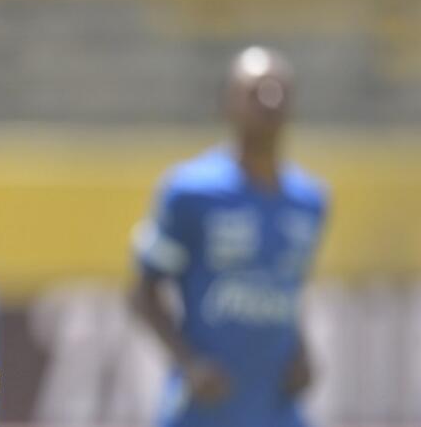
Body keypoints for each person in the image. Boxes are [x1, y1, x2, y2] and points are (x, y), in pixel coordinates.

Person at [131, 46, 327, 427]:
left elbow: (288, 288)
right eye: (255, 91)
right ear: (227, 105)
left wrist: (302, 352)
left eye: (280, 90)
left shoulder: (310, 201)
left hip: (276, 409)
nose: (270, 100)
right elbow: (143, 294)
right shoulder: (191, 192)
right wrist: (189, 363)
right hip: (205, 411)